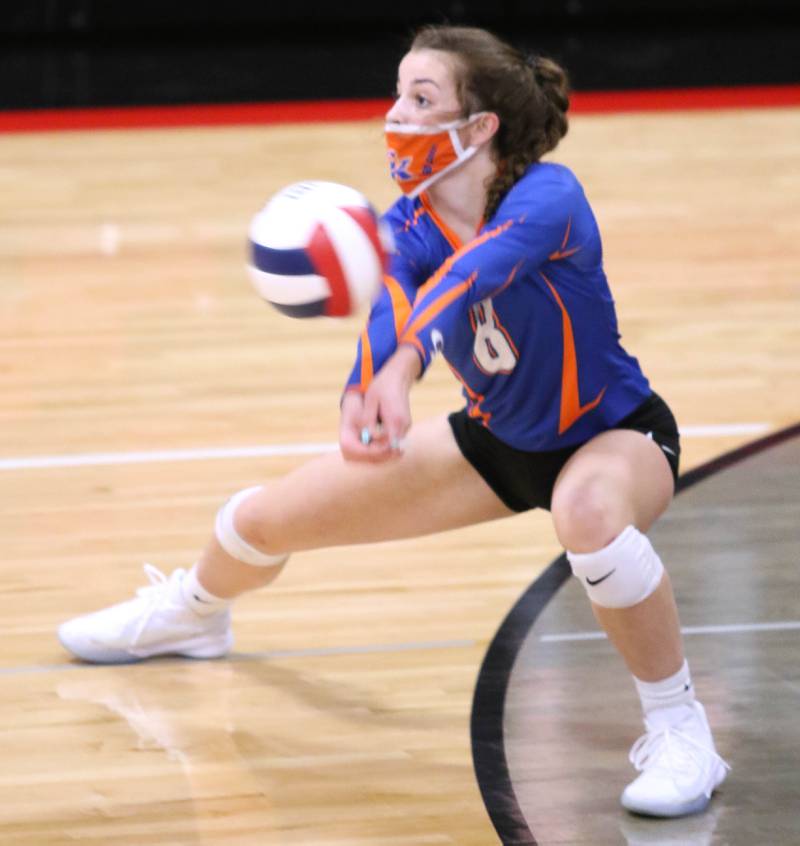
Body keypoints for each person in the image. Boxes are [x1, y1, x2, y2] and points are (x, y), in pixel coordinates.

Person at [58, 24, 729, 818]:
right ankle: (193, 615)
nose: (397, 116)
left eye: (421, 99)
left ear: (480, 128)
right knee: (257, 520)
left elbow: (470, 275)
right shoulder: (405, 224)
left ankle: (682, 730)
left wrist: (407, 367)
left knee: (588, 517)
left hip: (616, 435)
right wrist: (364, 388)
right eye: (397, 94)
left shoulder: (549, 196)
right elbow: (391, 305)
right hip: (494, 442)